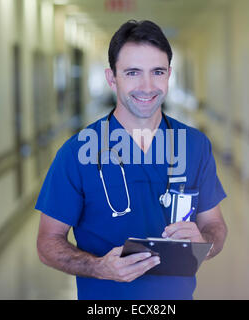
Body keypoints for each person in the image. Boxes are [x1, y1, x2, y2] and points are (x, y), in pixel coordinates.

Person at [35, 20, 228, 300]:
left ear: (169, 74)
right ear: (112, 78)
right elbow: (47, 243)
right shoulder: (77, 153)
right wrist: (99, 267)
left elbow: (215, 224)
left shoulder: (194, 145)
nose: (147, 86)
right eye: (133, 72)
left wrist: (205, 243)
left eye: (157, 72)